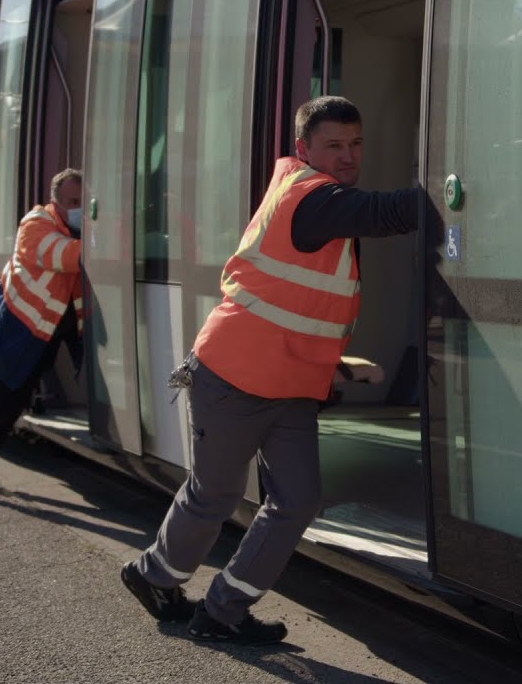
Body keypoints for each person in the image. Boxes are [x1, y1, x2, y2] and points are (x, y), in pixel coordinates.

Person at [121, 96, 434, 645]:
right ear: (304, 149)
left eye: (355, 143)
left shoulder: (306, 193)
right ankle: (154, 576)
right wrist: (458, 191)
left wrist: (334, 362)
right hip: (233, 375)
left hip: (288, 383)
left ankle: (222, 611)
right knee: (215, 496)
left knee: (297, 500)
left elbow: (295, 297)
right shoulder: (313, 197)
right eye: (333, 145)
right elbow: (385, 213)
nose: (346, 156)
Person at [0, 168, 84, 491]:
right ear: (56, 201)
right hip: (11, 333)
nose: (78, 207)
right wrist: (103, 237)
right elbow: (67, 257)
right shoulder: (36, 224)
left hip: (37, 338)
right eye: (72, 201)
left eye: (82, 200)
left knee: (15, 404)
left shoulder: (69, 228)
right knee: (6, 404)